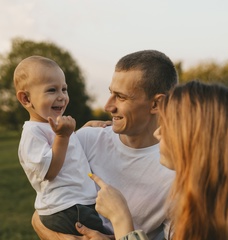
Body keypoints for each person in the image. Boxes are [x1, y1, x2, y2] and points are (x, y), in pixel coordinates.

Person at [31, 49, 179, 240]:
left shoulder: (178, 175)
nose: (108, 106)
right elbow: (39, 215)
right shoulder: (85, 140)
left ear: (157, 104)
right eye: (111, 93)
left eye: (121, 97)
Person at [79, 80, 228, 240]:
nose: (158, 133)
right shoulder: (208, 202)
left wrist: (121, 219)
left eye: (169, 125)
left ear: (197, 136)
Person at [14, 56, 108, 236]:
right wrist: (63, 135)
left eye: (64, 89)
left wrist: (82, 129)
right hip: (67, 208)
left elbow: (69, 150)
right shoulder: (32, 133)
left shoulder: (53, 128)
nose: (61, 96)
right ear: (26, 98)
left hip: (78, 204)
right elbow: (50, 171)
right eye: (51, 90)